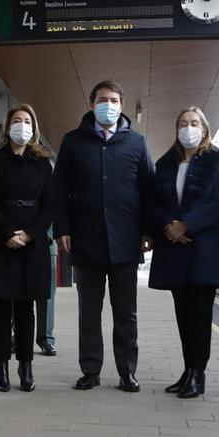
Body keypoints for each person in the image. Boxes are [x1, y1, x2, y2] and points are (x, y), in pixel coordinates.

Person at [53, 79, 154, 392]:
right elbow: (59, 191)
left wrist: (148, 230)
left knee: (126, 314)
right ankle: (90, 370)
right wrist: (63, 229)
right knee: (89, 313)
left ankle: (127, 372)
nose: (107, 105)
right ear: (91, 103)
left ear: (121, 105)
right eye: (101, 99)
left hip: (126, 242)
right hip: (86, 241)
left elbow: (149, 190)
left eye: (112, 100)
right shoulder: (72, 142)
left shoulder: (136, 143)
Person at [148, 107, 219, 398]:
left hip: (202, 248)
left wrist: (187, 225)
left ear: (204, 129)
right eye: (183, 123)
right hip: (174, 247)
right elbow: (153, 201)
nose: (188, 127)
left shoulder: (217, 160)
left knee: (200, 313)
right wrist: (167, 226)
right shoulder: (166, 163)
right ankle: (187, 369)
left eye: (194, 123)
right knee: (183, 313)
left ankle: (199, 373)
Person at [0, 104, 55, 392]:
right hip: (0, 239)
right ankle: (1, 365)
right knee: (0, 307)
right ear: (7, 127)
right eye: (17, 120)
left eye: (27, 121)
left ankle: (26, 364)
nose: (22, 125)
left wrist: (30, 234)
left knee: (26, 307)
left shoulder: (42, 164)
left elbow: (50, 207)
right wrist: (8, 232)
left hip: (31, 243)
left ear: (34, 129)